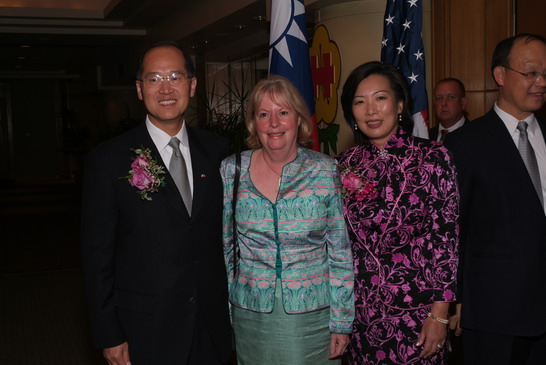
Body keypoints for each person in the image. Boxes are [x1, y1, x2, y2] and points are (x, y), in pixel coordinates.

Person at [80, 41, 232, 364]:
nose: (166, 88)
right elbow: (97, 258)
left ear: (192, 85)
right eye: (154, 78)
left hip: (211, 326)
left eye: (175, 76)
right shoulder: (108, 161)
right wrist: (110, 333)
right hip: (145, 329)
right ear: (139, 88)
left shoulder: (219, 152)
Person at [220, 75, 354, 364]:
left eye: (283, 113)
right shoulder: (231, 170)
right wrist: (231, 309)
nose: (274, 123)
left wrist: (342, 321)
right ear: (254, 122)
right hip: (250, 313)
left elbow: (340, 253)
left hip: (312, 316)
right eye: (263, 114)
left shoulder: (325, 170)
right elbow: (227, 246)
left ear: (299, 119)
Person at [336, 61, 460, 365]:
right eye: (359, 102)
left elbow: (446, 240)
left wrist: (440, 315)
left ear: (400, 103)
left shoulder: (433, 157)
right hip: (360, 317)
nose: (371, 110)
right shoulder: (342, 165)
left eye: (380, 98)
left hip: (418, 314)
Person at [443, 33, 546, 365]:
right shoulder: (465, 144)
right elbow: (452, 230)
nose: (541, 83)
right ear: (500, 75)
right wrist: (453, 300)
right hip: (494, 314)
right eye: (531, 73)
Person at [430, 78, 469, 142]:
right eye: (439, 98)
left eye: (451, 97)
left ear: (463, 103)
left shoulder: (476, 136)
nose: (443, 103)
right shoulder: (426, 136)